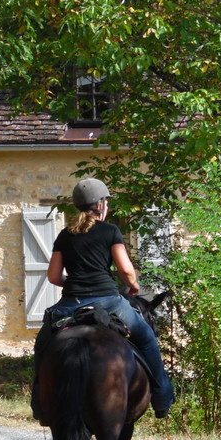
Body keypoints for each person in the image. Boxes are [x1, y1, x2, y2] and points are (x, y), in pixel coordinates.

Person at [44, 177, 175, 419]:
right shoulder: (111, 231)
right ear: (101, 205)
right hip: (109, 302)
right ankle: (162, 398)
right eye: (106, 201)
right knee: (146, 339)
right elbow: (125, 270)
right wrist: (133, 285)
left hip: (70, 304)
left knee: (44, 342)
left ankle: (40, 404)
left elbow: (53, 276)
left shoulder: (64, 235)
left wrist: (72, 283)